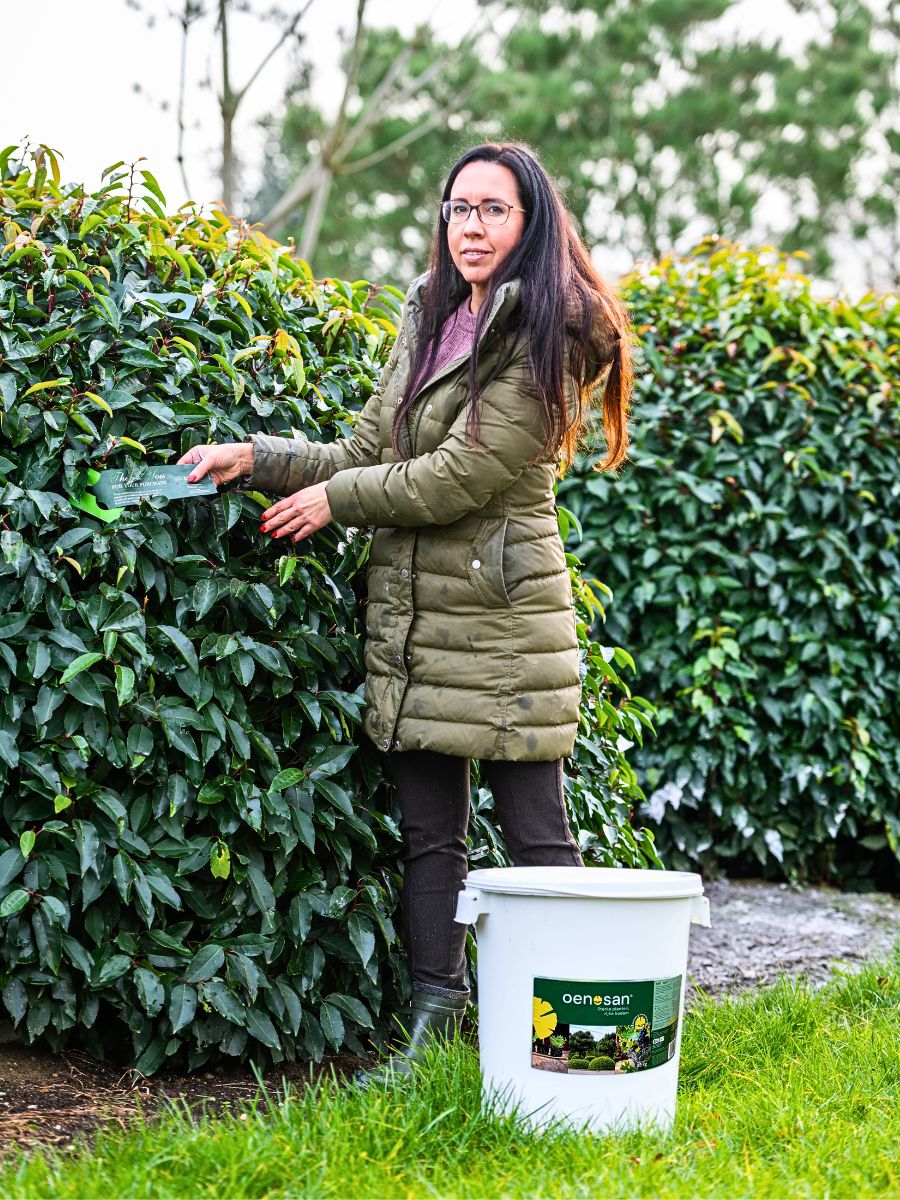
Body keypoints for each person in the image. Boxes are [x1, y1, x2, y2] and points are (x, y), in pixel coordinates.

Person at [178, 142, 633, 1082]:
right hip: (418, 619)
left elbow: (461, 475)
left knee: (538, 840)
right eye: (459, 208)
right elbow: (368, 444)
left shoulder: (554, 332)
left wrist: (337, 503)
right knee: (432, 838)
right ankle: (435, 1033)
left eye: (493, 210)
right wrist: (255, 458)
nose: (472, 226)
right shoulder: (433, 314)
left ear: (530, 221)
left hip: (505, 625)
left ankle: (580, 1047)